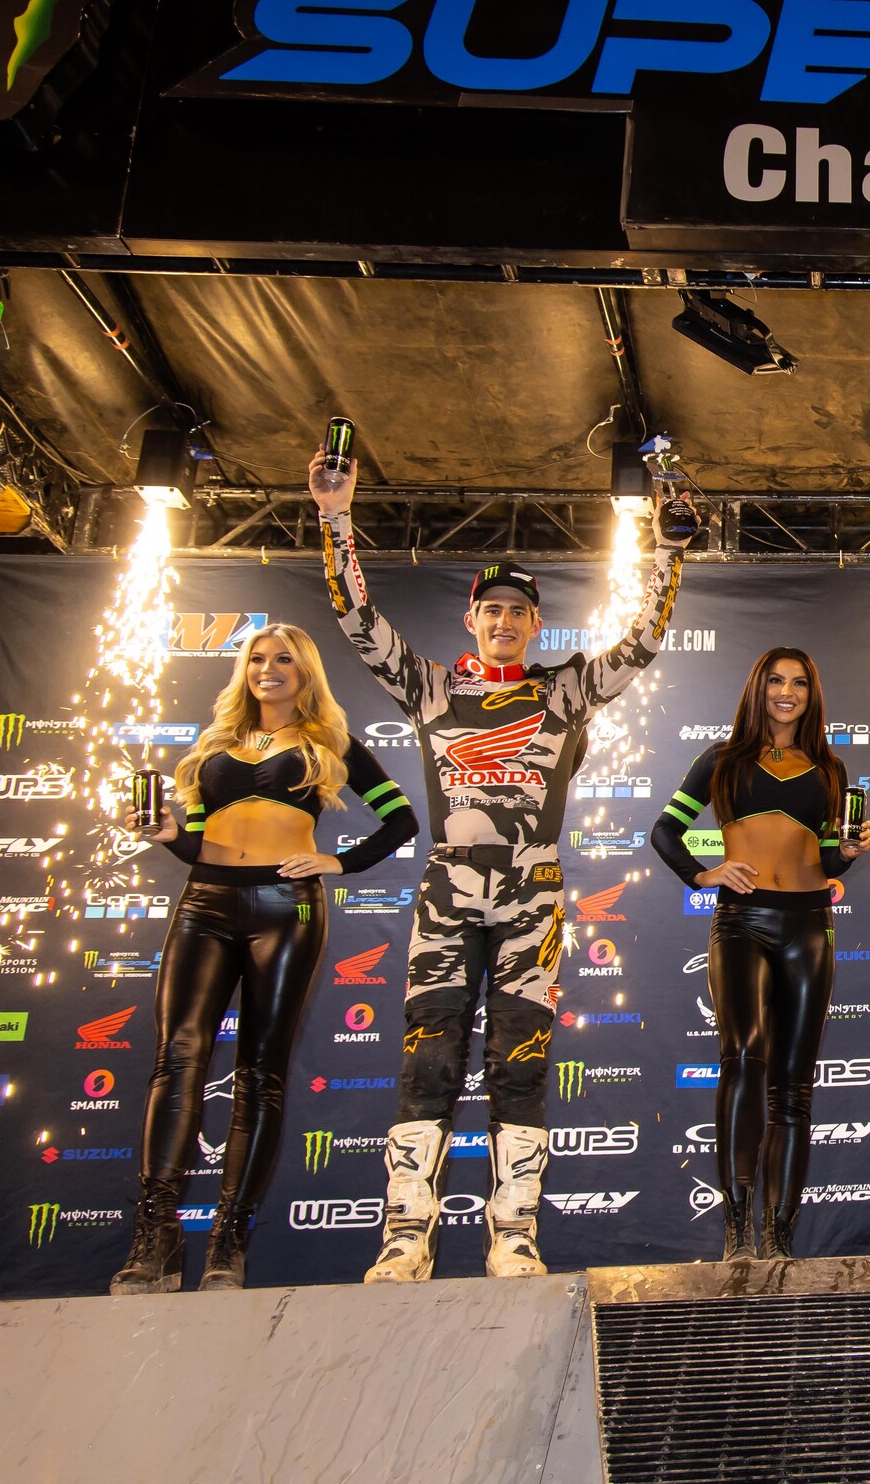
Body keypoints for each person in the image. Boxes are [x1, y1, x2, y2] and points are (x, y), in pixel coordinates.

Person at [311, 446, 692, 1282]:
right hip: (448, 891)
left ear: (536, 624)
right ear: (472, 621)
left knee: (519, 1061)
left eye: (521, 612)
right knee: (429, 1058)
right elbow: (356, 621)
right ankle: (405, 1238)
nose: (506, 622)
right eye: (493, 610)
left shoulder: (561, 690)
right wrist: (336, 516)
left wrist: (667, 553)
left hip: (534, 895)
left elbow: (643, 644)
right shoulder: (433, 689)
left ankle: (514, 1234)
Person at [110, 624, 417, 1293]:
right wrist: (169, 835)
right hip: (204, 903)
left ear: (305, 672)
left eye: (283, 659)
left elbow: (401, 820)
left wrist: (341, 860)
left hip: (287, 908)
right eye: (256, 658)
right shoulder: (212, 746)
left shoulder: (328, 742)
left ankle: (228, 1242)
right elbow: (196, 840)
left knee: (260, 1073)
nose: (268, 669)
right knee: (176, 1058)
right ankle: (156, 1238)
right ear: (242, 670)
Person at [650, 648, 870, 1261]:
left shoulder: (830, 767)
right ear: (758, 688)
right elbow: (663, 831)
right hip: (740, 922)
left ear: (811, 695)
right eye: (776, 680)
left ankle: (778, 1238)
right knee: (744, 1056)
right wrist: (704, 876)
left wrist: (847, 856)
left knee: (794, 1088)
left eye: (800, 682)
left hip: (810, 925)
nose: (787, 691)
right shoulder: (721, 759)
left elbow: (827, 859)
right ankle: (736, 1232)